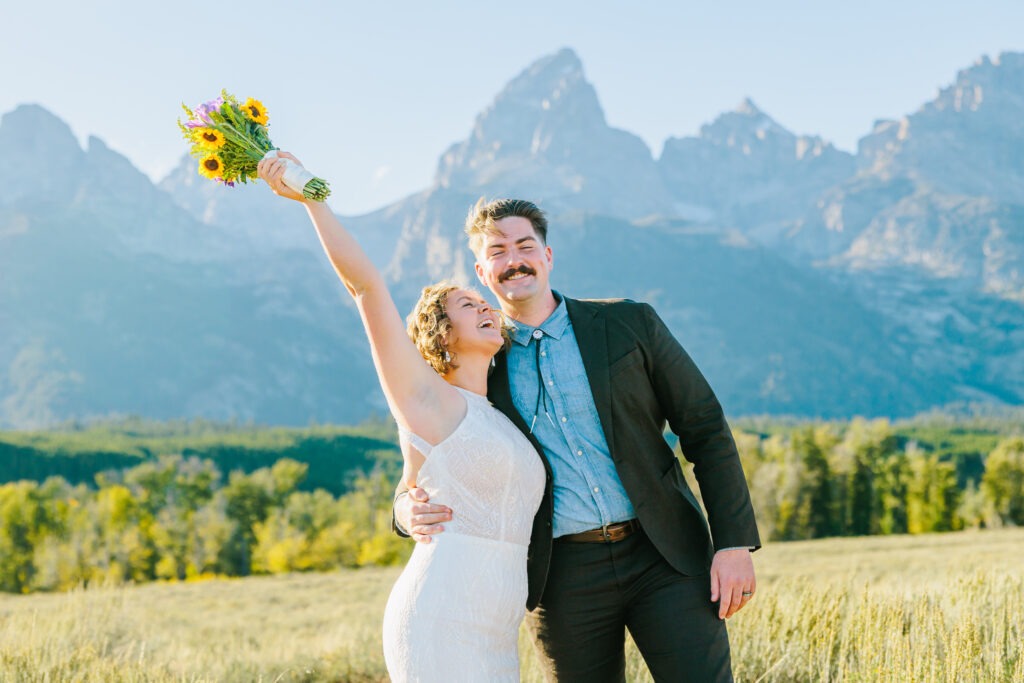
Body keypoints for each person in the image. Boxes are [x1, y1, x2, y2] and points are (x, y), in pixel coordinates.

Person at [394, 198, 762, 682]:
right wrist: (405, 511)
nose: (514, 259)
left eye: (525, 245)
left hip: (667, 555)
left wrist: (733, 544)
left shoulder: (629, 323)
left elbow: (705, 426)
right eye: (498, 251)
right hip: (561, 578)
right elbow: (430, 454)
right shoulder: (482, 365)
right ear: (483, 271)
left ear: (548, 256)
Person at [257, 155, 545, 682]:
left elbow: (428, 479)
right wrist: (312, 201)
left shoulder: (500, 415)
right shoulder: (426, 399)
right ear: (439, 334)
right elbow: (366, 288)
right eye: (465, 304)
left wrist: (403, 502)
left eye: (482, 300)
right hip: (441, 617)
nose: (485, 306)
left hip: (498, 631)